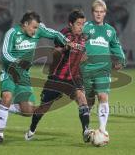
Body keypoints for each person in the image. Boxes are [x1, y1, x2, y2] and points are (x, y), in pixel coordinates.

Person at [0, 11, 72, 143]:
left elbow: (54, 34)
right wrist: (17, 61)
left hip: (24, 75)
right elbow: (4, 54)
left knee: (28, 111)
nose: (36, 31)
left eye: (37, 27)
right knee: (7, 97)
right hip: (9, 72)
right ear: (25, 24)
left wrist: (66, 41)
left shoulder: (38, 30)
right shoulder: (12, 33)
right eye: (34, 27)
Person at [24, 9, 93, 142]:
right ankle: (32, 129)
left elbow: (83, 56)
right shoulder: (64, 34)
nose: (81, 27)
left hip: (73, 77)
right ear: (70, 24)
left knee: (82, 99)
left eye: (82, 24)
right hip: (57, 78)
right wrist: (65, 48)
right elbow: (54, 53)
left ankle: (86, 130)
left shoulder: (83, 37)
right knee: (44, 107)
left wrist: (82, 58)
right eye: (78, 24)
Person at [80, 0, 126, 135]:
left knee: (103, 96)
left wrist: (121, 60)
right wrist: (80, 54)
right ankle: (86, 129)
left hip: (103, 70)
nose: (99, 14)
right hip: (86, 70)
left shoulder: (110, 31)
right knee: (88, 102)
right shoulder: (86, 27)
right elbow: (77, 43)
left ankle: (102, 129)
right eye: (96, 12)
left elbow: (116, 47)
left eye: (101, 12)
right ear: (92, 12)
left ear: (105, 13)